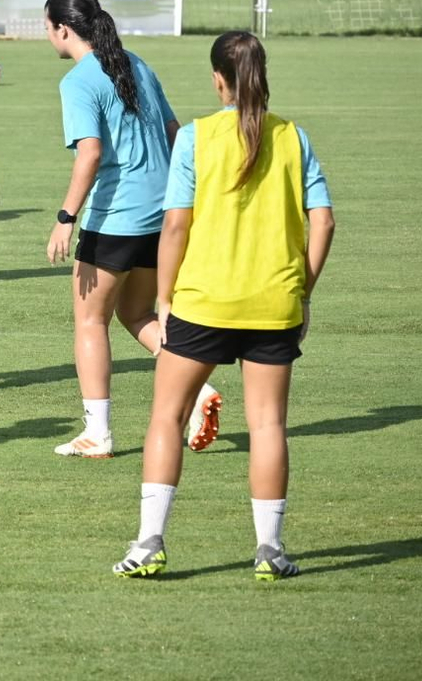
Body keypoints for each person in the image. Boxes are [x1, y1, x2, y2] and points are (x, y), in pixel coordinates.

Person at [114, 31, 335, 581]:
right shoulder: (294, 137)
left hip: (204, 301)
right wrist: (301, 290)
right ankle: (270, 551)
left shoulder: (197, 137)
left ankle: (149, 545)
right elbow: (324, 221)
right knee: (268, 427)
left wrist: (164, 298)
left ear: (219, 80)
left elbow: (175, 224)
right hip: (273, 305)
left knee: (166, 416)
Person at [41, 0, 221, 459]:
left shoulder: (79, 81)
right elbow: (175, 134)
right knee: (137, 314)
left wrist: (65, 218)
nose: (48, 36)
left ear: (62, 29)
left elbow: (90, 153)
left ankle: (97, 433)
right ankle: (199, 391)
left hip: (116, 218)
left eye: (48, 28)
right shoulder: (135, 63)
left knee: (90, 320)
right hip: (162, 214)